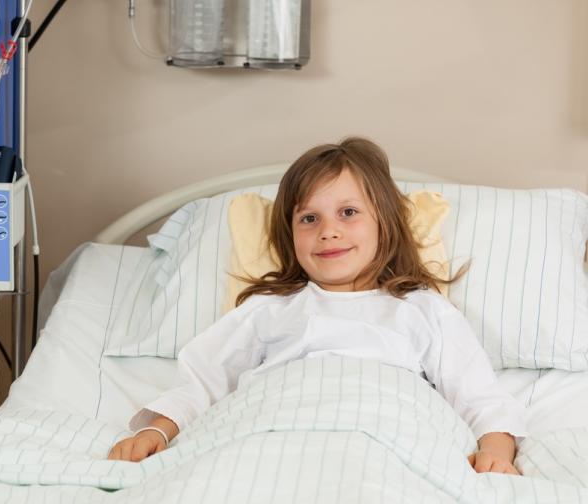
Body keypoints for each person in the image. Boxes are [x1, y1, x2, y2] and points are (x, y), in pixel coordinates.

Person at [107, 137, 527, 475]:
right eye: (309, 218)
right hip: (270, 429)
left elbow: (479, 396)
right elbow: (203, 380)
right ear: (289, 234)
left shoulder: (421, 309)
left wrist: (496, 450)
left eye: (348, 212)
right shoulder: (270, 308)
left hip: (385, 435)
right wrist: (158, 432)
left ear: (386, 223)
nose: (328, 232)